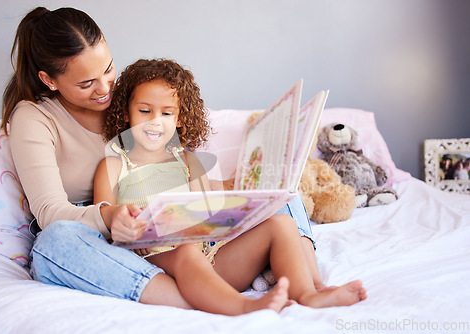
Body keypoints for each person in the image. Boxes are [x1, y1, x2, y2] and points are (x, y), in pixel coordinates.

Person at [1, 6, 359, 311]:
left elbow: (197, 185)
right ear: (49, 80)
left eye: (109, 69)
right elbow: (50, 214)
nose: (105, 88)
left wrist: (244, 188)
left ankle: (309, 287)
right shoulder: (35, 119)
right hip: (112, 233)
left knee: (284, 193)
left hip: (194, 232)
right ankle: (205, 302)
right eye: (86, 83)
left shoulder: (131, 104)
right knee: (55, 244)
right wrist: (110, 217)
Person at [93, 58, 367, 314]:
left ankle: (307, 294)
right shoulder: (114, 166)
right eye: (144, 110)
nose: (155, 121)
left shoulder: (188, 162)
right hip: (153, 266)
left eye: (166, 113)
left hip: (210, 261)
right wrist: (128, 231)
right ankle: (244, 307)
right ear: (126, 111)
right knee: (186, 251)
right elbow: (100, 223)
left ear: (179, 120)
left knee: (281, 224)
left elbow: (208, 214)